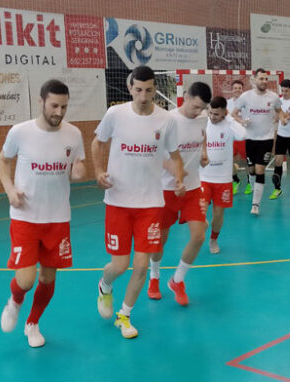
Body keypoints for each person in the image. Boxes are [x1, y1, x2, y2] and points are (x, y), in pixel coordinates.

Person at [91, 66, 185, 339]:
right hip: (119, 201)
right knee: (119, 266)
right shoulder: (115, 114)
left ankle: (124, 315)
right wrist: (98, 172)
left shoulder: (167, 120)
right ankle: (104, 286)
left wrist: (178, 180)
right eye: (139, 90)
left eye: (149, 90)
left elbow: (175, 156)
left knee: (142, 265)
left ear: (155, 89)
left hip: (150, 203)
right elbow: (98, 144)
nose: (144, 96)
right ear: (130, 88)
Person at [0, 79, 86, 348]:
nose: (59, 112)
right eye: (54, 105)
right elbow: (2, 160)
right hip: (26, 216)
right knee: (25, 279)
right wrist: (10, 189)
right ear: (41, 102)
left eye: (64, 107)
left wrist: (79, 170)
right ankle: (15, 301)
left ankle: (32, 323)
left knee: (48, 278)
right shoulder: (20, 132)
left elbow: (78, 164)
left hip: (58, 218)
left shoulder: (74, 134)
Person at [147, 82, 212, 306]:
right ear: (185, 96)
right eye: (194, 107)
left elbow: (202, 138)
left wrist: (204, 154)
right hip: (165, 190)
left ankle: (177, 280)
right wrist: (175, 170)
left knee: (199, 235)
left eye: (201, 108)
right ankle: (154, 277)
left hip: (192, 188)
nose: (197, 112)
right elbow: (155, 156)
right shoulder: (167, 120)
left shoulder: (203, 118)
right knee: (159, 242)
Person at [231, 68, 285, 215]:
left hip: (266, 139)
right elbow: (233, 114)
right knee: (252, 170)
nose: (264, 81)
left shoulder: (273, 97)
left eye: (266, 79)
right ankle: (255, 190)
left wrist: (282, 118)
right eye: (261, 79)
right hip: (250, 138)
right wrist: (242, 121)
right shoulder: (245, 96)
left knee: (260, 169)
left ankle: (255, 205)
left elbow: (279, 110)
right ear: (254, 80)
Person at [201, 96, 247, 254]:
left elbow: (242, 134)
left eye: (217, 114)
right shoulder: (203, 123)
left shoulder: (229, 124)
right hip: (204, 178)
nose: (212, 117)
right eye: (211, 113)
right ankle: (202, 224)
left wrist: (229, 118)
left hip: (223, 179)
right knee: (198, 213)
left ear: (224, 113)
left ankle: (213, 239)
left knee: (218, 214)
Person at [227, 80, 249, 195]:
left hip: (245, 136)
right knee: (228, 160)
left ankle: (250, 182)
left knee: (246, 161)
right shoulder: (227, 103)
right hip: (231, 137)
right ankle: (235, 180)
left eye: (239, 88)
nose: (237, 90)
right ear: (232, 90)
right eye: (235, 88)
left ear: (242, 89)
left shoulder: (248, 103)